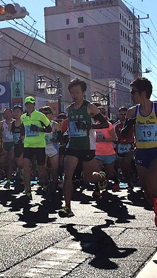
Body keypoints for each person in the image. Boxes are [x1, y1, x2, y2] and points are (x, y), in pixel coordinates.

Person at [121, 77, 157, 227]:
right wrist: (129, 125)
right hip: (141, 153)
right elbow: (123, 133)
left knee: (151, 178)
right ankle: (156, 203)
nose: (131, 95)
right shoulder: (132, 112)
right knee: (146, 189)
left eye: (133, 92)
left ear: (143, 93)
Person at [58, 79, 109, 218]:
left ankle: (101, 177)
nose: (74, 95)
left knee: (88, 178)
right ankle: (67, 207)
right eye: (72, 93)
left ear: (84, 92)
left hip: (87, 146)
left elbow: (104, 124)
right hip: (73, 146)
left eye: (77, 92)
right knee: (67, 176)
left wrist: (90, 127)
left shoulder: (90, 107)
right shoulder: (69, 109)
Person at [20, 97, 52, 201]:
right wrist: (22, 136)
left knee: (41, 170)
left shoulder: (40, 116)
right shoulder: (23, 117)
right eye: (27, 104)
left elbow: (49, 129)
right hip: (28, 146)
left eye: (31, 104)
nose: (29, 106)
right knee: (25, 167)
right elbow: (23, 129)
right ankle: (28, 190)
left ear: (34, 105)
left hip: (39, 145)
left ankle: (46, 182)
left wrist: (38, 129)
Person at [92, 104, 119, 197]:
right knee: (97, 172)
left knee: (109, 174)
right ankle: (97, 190)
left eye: (102, 113)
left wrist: (104, 139)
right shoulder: (94, 126)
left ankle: (116, 181)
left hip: (109, 153)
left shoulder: (109, 125)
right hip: (97, 153)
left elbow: (115, 139)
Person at [40, 106, 61, 197]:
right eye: (43, 113)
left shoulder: (55, 125)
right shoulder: (38, 125)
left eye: (47, 113)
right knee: (42, 168)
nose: (45, 115)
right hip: (42, 148)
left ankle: (54, 185)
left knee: (55, 169)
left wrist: (55, 139)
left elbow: (60, 137)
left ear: (51, 115)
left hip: (53, 149)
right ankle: (46, 182)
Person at [114, 106, 135, 190]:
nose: (123, 116)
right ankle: (129, 183)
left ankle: (133, 172)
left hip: (130, 146)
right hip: (120, 146)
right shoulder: (116, 125)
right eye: (121, 114)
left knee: (128, 161)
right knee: (123, 166)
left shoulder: (132, 124)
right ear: (118, 115)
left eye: (125, 114)